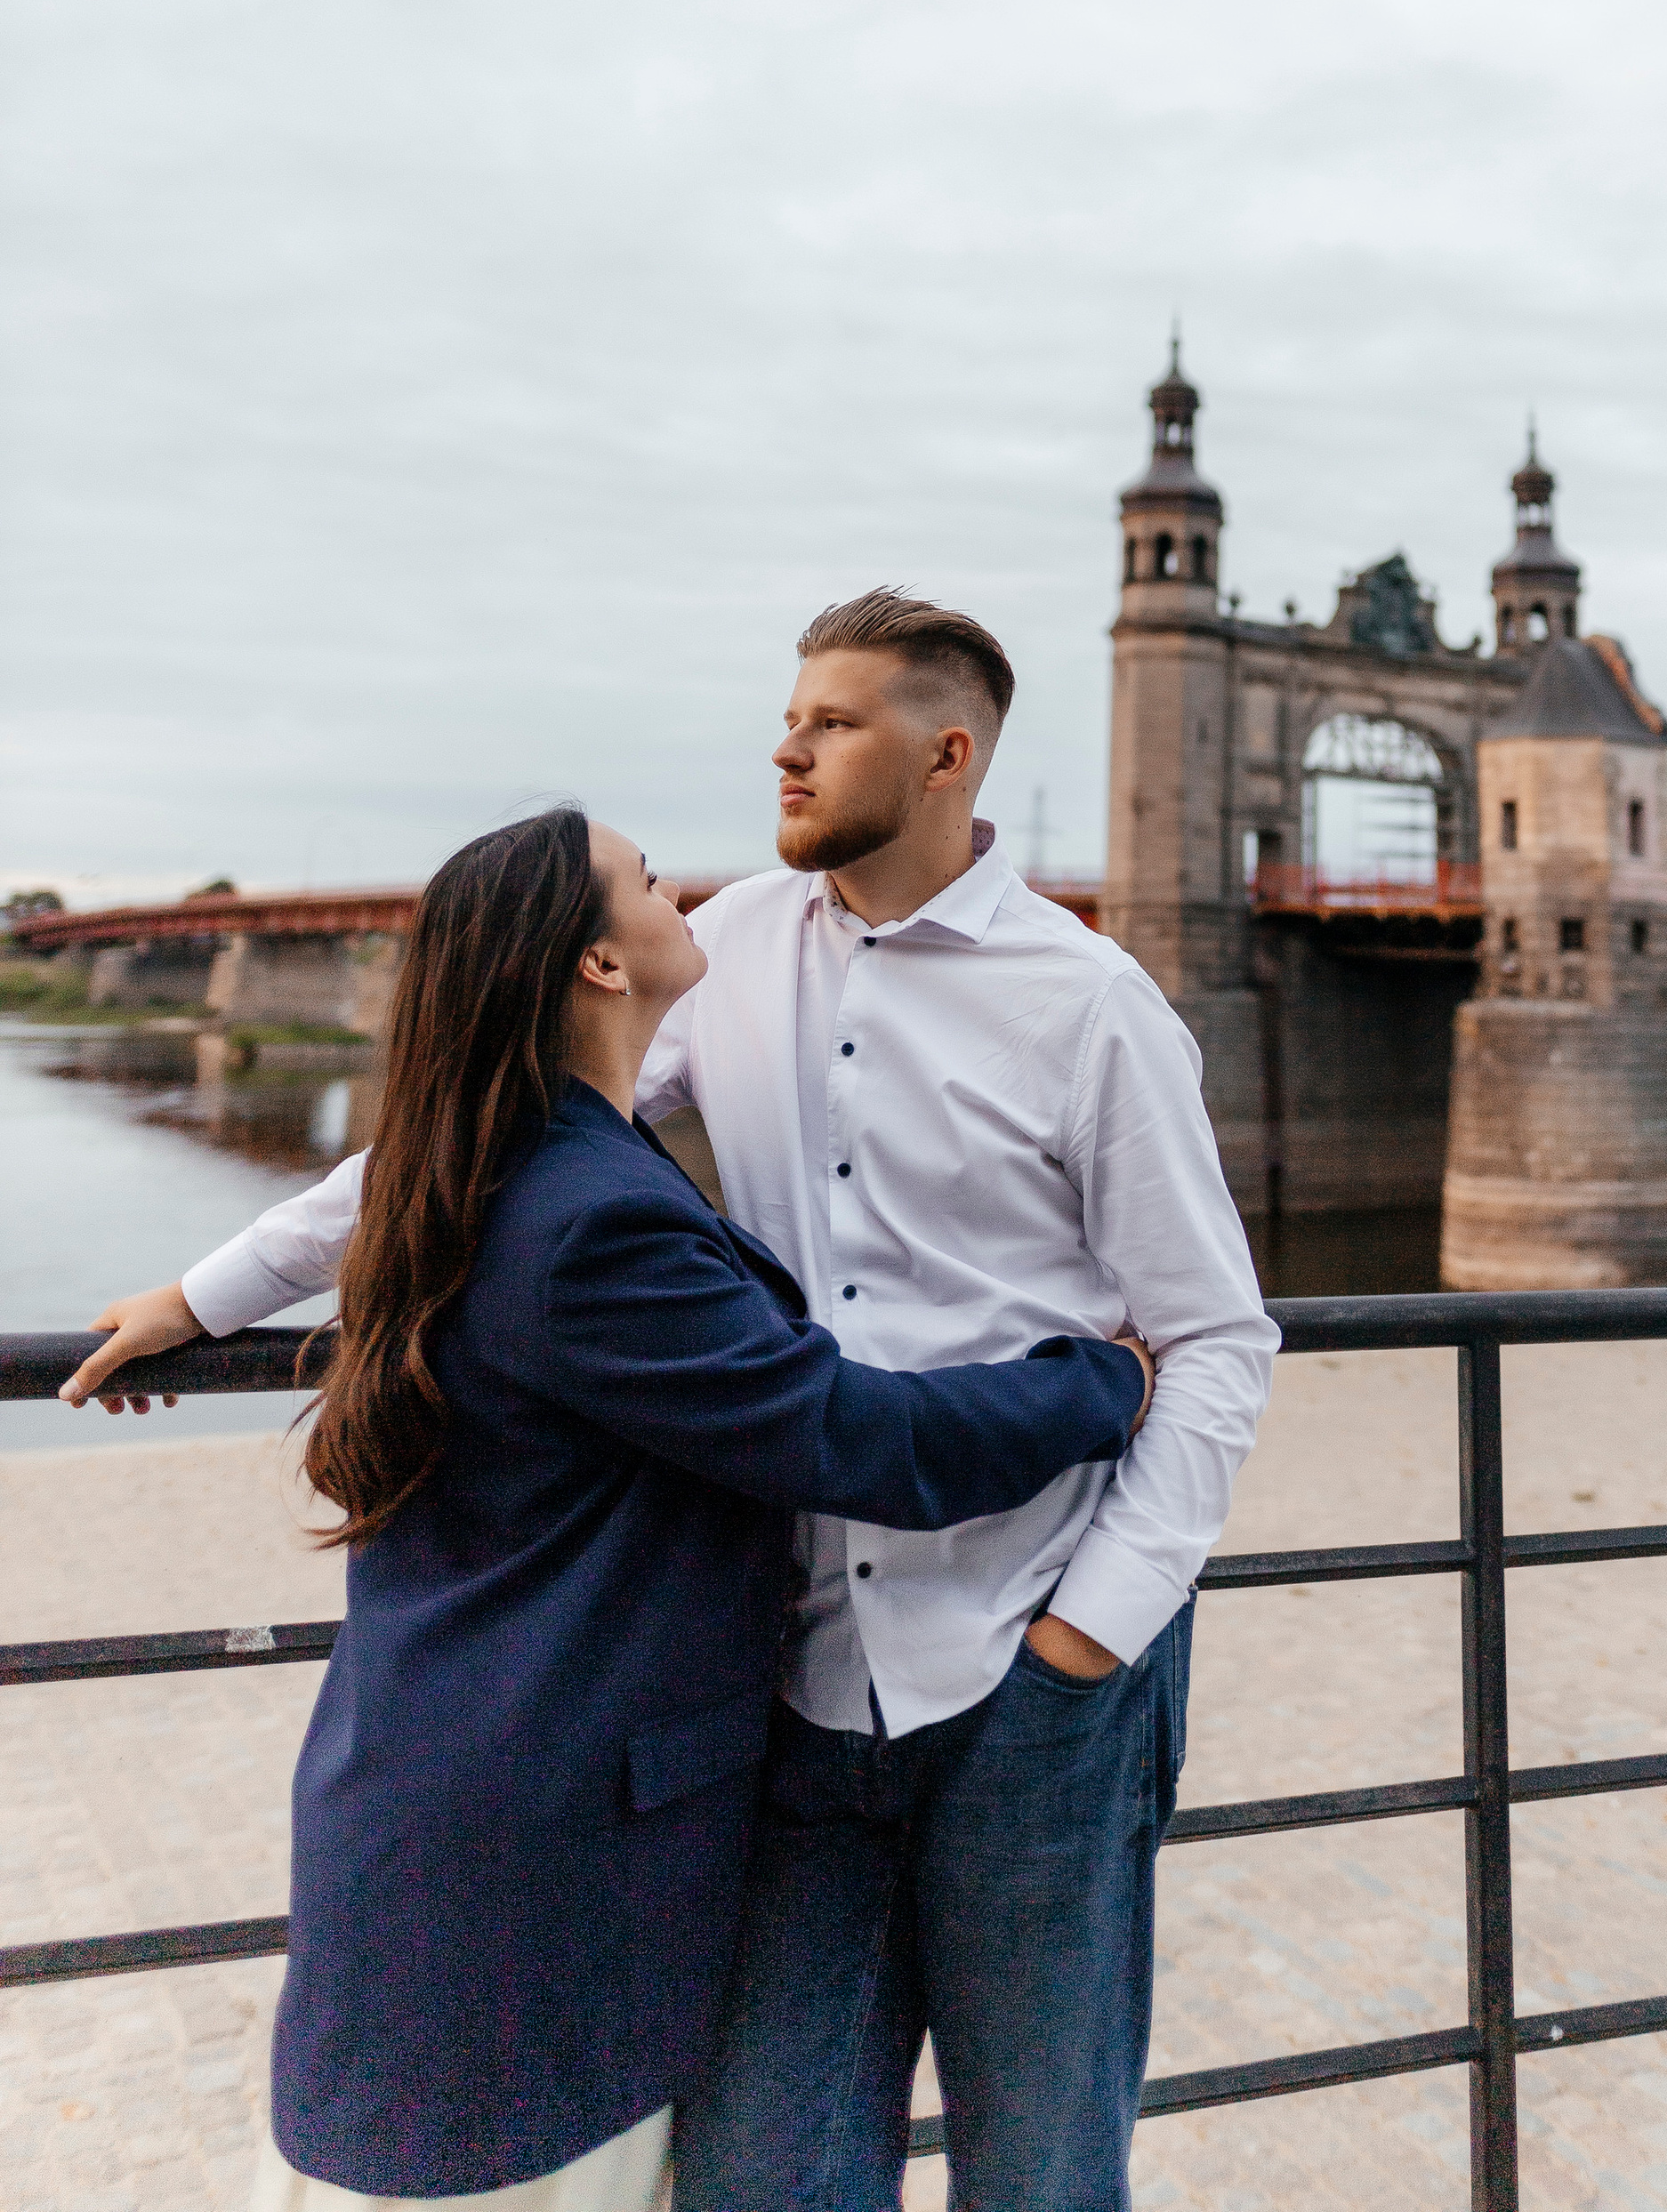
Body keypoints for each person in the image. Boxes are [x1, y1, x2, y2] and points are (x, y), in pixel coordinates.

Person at [70, 593, 1278, 2211]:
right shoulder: (738, 949)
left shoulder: (1092, 1004)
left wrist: (1092, 1635)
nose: (788, 747)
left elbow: (1218, 1339)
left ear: (946, 755)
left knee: (1042, 2168)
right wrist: (214, 1289)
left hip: (1031, 1668)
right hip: (798, 1680)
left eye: (832, 722)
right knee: (765, 2174)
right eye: (789, 715)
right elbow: (482, 1133)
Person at [196, 801, 1149, 2210]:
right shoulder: (591, 1214)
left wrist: (201, 1293)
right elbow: (851, 1435)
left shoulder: (508, 1160)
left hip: (453, 1802)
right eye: (647, 882)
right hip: (532, 1865)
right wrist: (1107, 1381)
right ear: (599, 962)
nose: (683, 894)